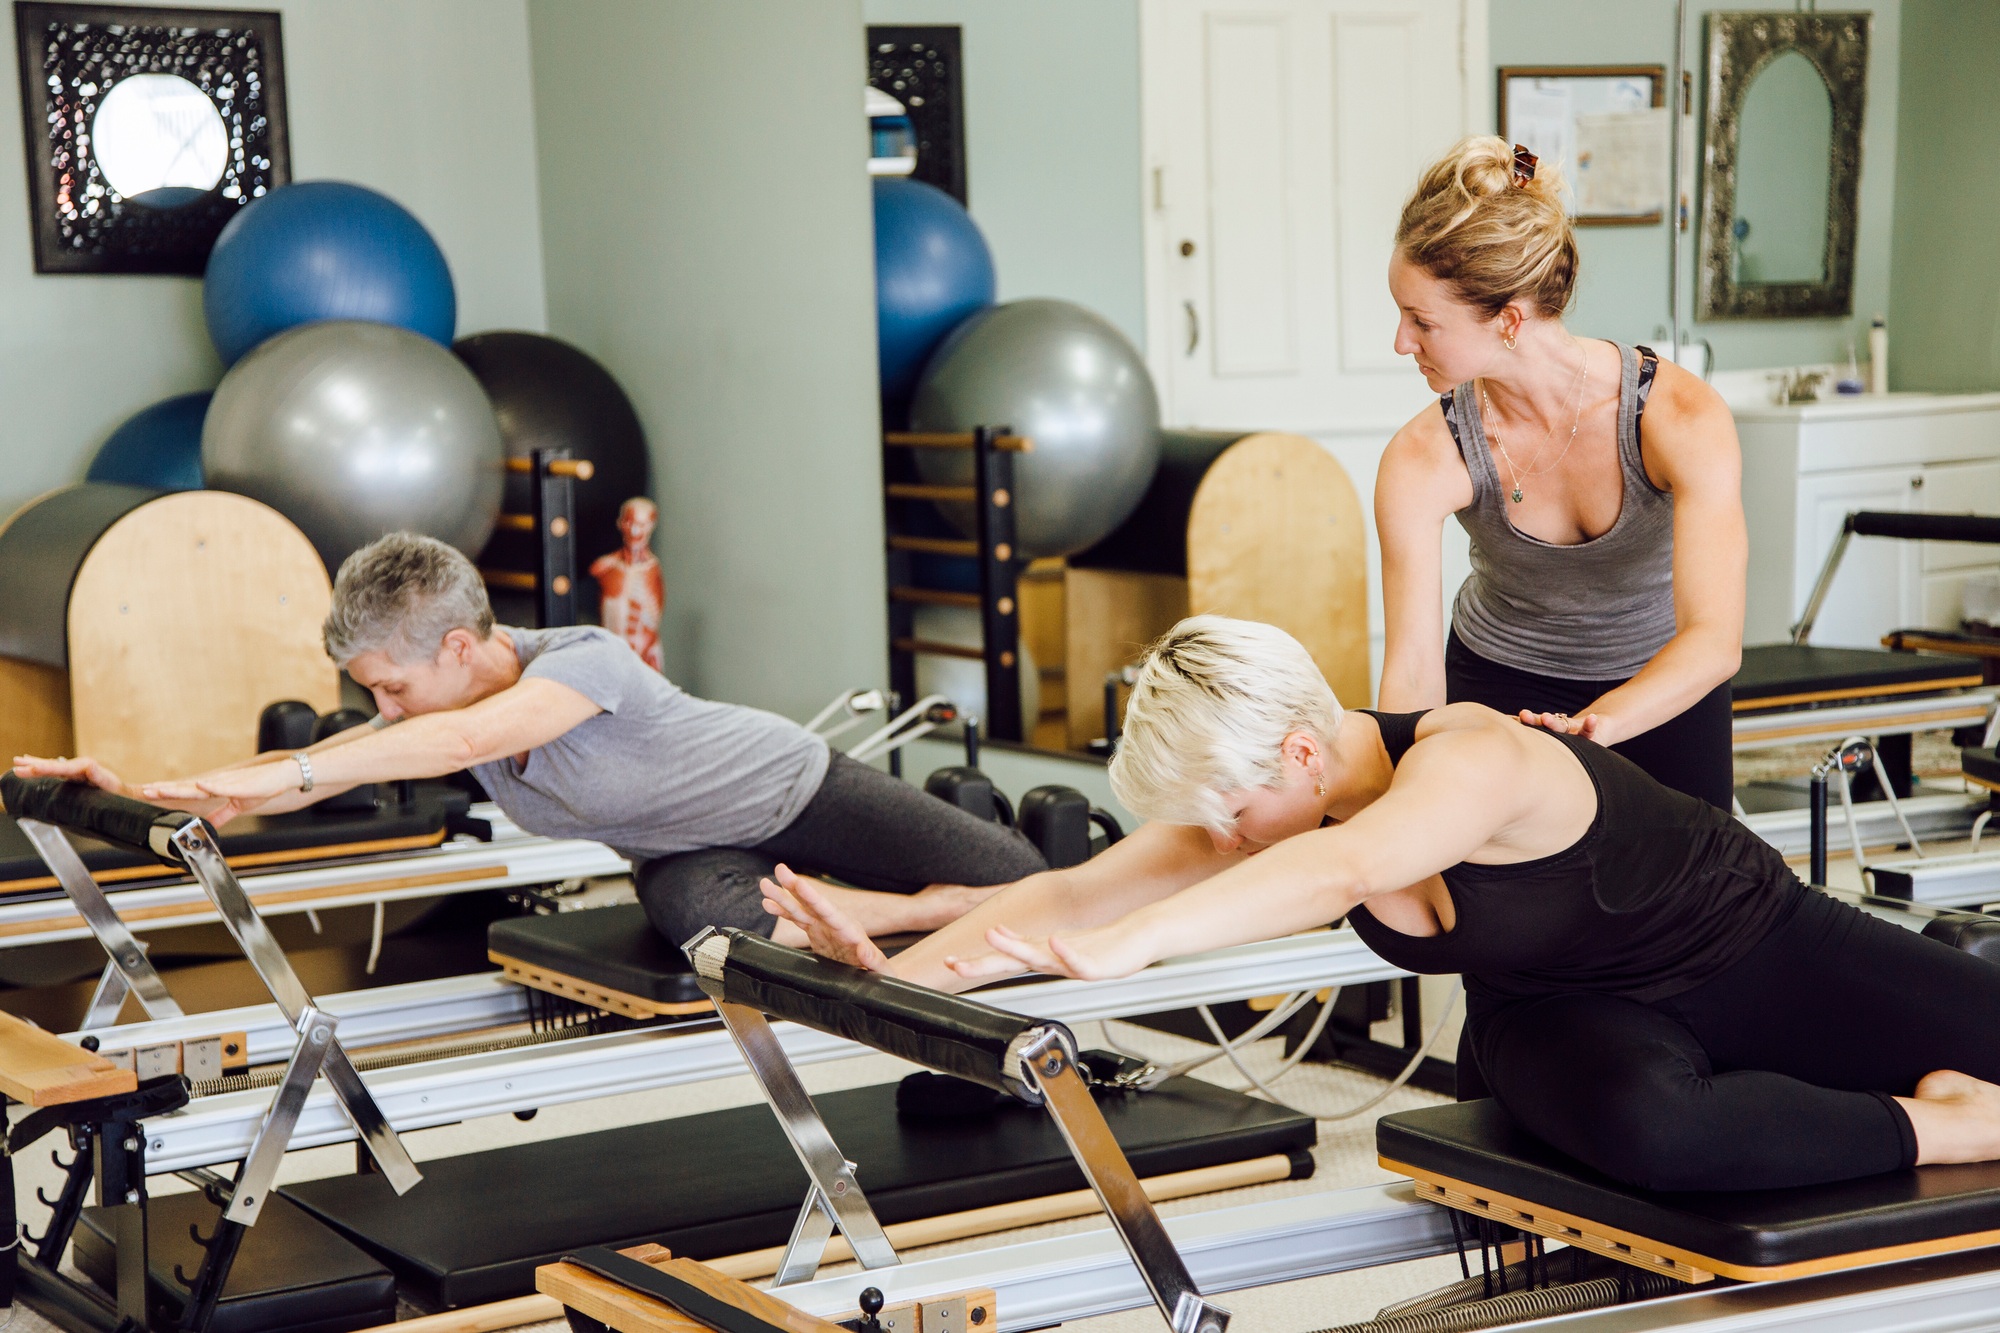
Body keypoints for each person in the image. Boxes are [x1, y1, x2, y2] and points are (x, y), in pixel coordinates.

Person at [765, 616, 2000, 1193]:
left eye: (1230, 812)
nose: (1220, 840)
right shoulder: (1280, 809)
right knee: (1658, 1140)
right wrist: (884, 982)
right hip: (1554, 1013)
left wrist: (1131, 946)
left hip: (1757, 951)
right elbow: (1067, 887)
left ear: (1299, 759)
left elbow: (1342, 873)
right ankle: (1941, 1125)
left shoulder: (1468, 758)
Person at [13, 531, 1044, 950]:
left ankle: (928, 900)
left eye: (391, 686)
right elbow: (281, 792)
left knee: (1021, 880)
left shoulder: (581, 662)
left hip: (794, 790)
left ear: (460, 648)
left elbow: (423, 746)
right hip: (694, 857)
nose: (383, 709)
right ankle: (905, 912)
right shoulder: (437, 709)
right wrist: (140, 788)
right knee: (716, 945)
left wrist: (297, 767)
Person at [1375, 138, 1746, 810]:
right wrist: (1408, 801)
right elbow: (1409, 672)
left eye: (1422, 321)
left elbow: (1714, 639)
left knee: (1690, 901)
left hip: (1663, 691)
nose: (1401, 342)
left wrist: (1596, 726)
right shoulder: (1425, 455)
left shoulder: (1679, 418)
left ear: (1509, 320)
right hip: (1496, 689)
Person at [590, 496, 666, 672]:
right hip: (610, 657)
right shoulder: (604, 567)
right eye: (629, 523)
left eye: (642, 525)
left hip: (642, 661)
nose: (634, 532)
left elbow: (653, 619)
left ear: (651, 526)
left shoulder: (652, 570)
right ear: (620, 523)